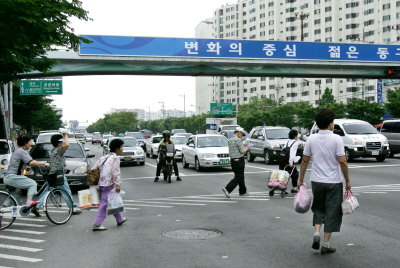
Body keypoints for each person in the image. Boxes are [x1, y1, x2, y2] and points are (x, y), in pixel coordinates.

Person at [298, 109, 351, 255]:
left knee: (318, 208)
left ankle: (316, 233)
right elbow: (342, 161)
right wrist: (347, 180)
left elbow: (304, 161)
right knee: (332, 212)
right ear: (329, 124)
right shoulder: (336, 139)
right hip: (334, 181)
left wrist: (300, 179)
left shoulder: (311, 139)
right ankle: (326, 244)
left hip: (317, 180)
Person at [32, 132, 81, 216]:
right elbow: (67, 145)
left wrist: (62, 163)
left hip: (53, 174)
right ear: (59, 143)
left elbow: (58, 160)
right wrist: (66, 135)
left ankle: (36, 206)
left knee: (48, 191)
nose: (63, 143)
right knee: (66, 190)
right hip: (58, 175)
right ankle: (72, 208)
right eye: (61, 142)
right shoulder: (58, 149)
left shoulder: (54, 150)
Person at [4, 135, 50, 209]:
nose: (31, 144)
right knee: (33, 184)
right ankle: (29, 203)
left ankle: (2, 211)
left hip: (9, 177)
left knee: (14, 195)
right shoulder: (22, 151)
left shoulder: (18, 150)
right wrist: (43, 163)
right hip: (13, 177)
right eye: (30, 142)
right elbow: (31, 162)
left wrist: (26, 168)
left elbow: (19, 164)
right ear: (25, 143)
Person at [92, 138, 127, 231]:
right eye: (122, 147)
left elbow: (94, 168)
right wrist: (117, 184)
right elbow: (115, 172)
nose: (123, 149)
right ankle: (97, 224)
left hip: (101, 183)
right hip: (108, 183)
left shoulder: (104, 157)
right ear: (117, 148)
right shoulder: (115, 158)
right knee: (105, 203)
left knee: (112, 200)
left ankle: (120, 218)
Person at [222, 127, 250, 198]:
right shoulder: (238, 140)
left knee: (239, 175)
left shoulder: (230, 140)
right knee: (239, 177)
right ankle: (227, 189)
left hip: (233, 161)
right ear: (239, 132)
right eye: (242, 134)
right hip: (239, 160)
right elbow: (242, 151)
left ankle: (242, 191)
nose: (242, 136)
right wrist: (247, 148)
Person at [278, 129, 300, 194]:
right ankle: (294, 188)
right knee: (295, 174)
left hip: (282, 160)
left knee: (285, 174)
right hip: (288, 161)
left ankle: (282, 188)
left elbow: (283, 150)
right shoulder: (295, 143)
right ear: (295, 136)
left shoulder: (287, 142)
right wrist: (291, 162)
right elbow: (292, 153)